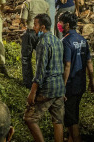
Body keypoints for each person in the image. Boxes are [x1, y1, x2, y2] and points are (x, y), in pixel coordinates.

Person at [25, 13, 65, 142]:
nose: (33, 27)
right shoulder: (57, 41)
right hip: (59, 87)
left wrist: (33, 92)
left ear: (42, 27)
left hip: (48, 88)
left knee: (29, 119)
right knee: (58, 120)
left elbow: (40, 72)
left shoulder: (42, 43)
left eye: (35, 25)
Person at [59, 12, 94, 142]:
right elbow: (89, 63)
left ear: (67, 25)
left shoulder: (65, 41)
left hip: (70, 86)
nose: (59, 25)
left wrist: (62, 87)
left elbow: (67, 66)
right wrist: (92, 82)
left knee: (71, 119)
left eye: (60, 23)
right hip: (81, 84)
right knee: (73, 114)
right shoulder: (82, 40)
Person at [21, 0, 50, 87]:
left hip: (30, 32)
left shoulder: (27, 3)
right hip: (42, 33)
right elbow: (47, 19)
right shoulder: (45, 4)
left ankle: (28, 82)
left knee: (26, 58)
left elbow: (23, 19)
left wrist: (24, 24)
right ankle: (41, 80)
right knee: (41, 58)